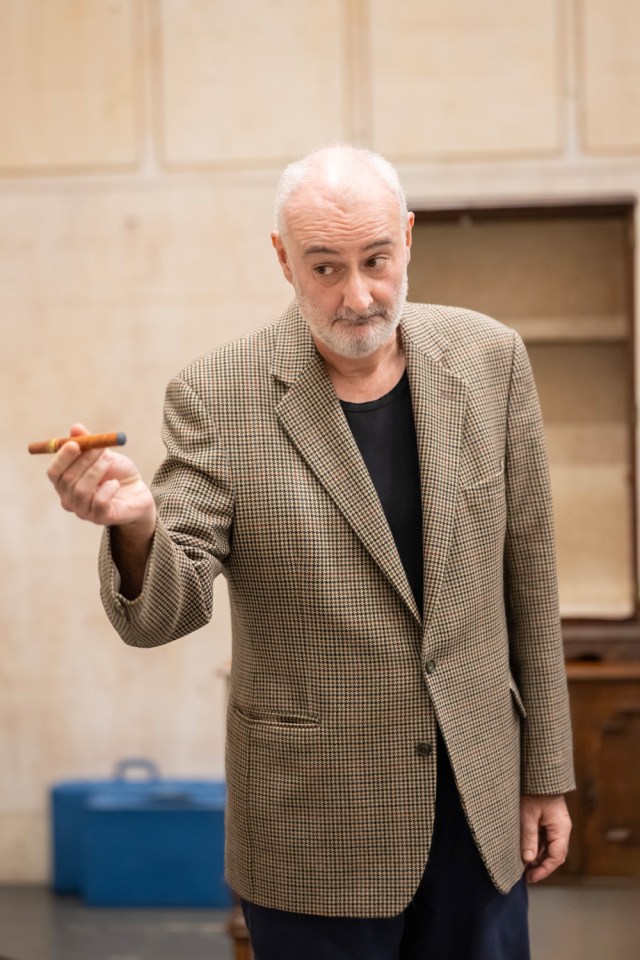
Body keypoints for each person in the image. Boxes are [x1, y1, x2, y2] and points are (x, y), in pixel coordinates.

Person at [47, 144, 574, 960]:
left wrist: (546, 773)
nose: (357, 296)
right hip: (314, 826)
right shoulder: (218, 394)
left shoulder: (491, 359)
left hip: (480, 803)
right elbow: (164, 612)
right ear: (282, 258)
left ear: (407, 237)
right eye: (324, 267)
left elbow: (531, 585)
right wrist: (137, 524)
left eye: (376, 260)